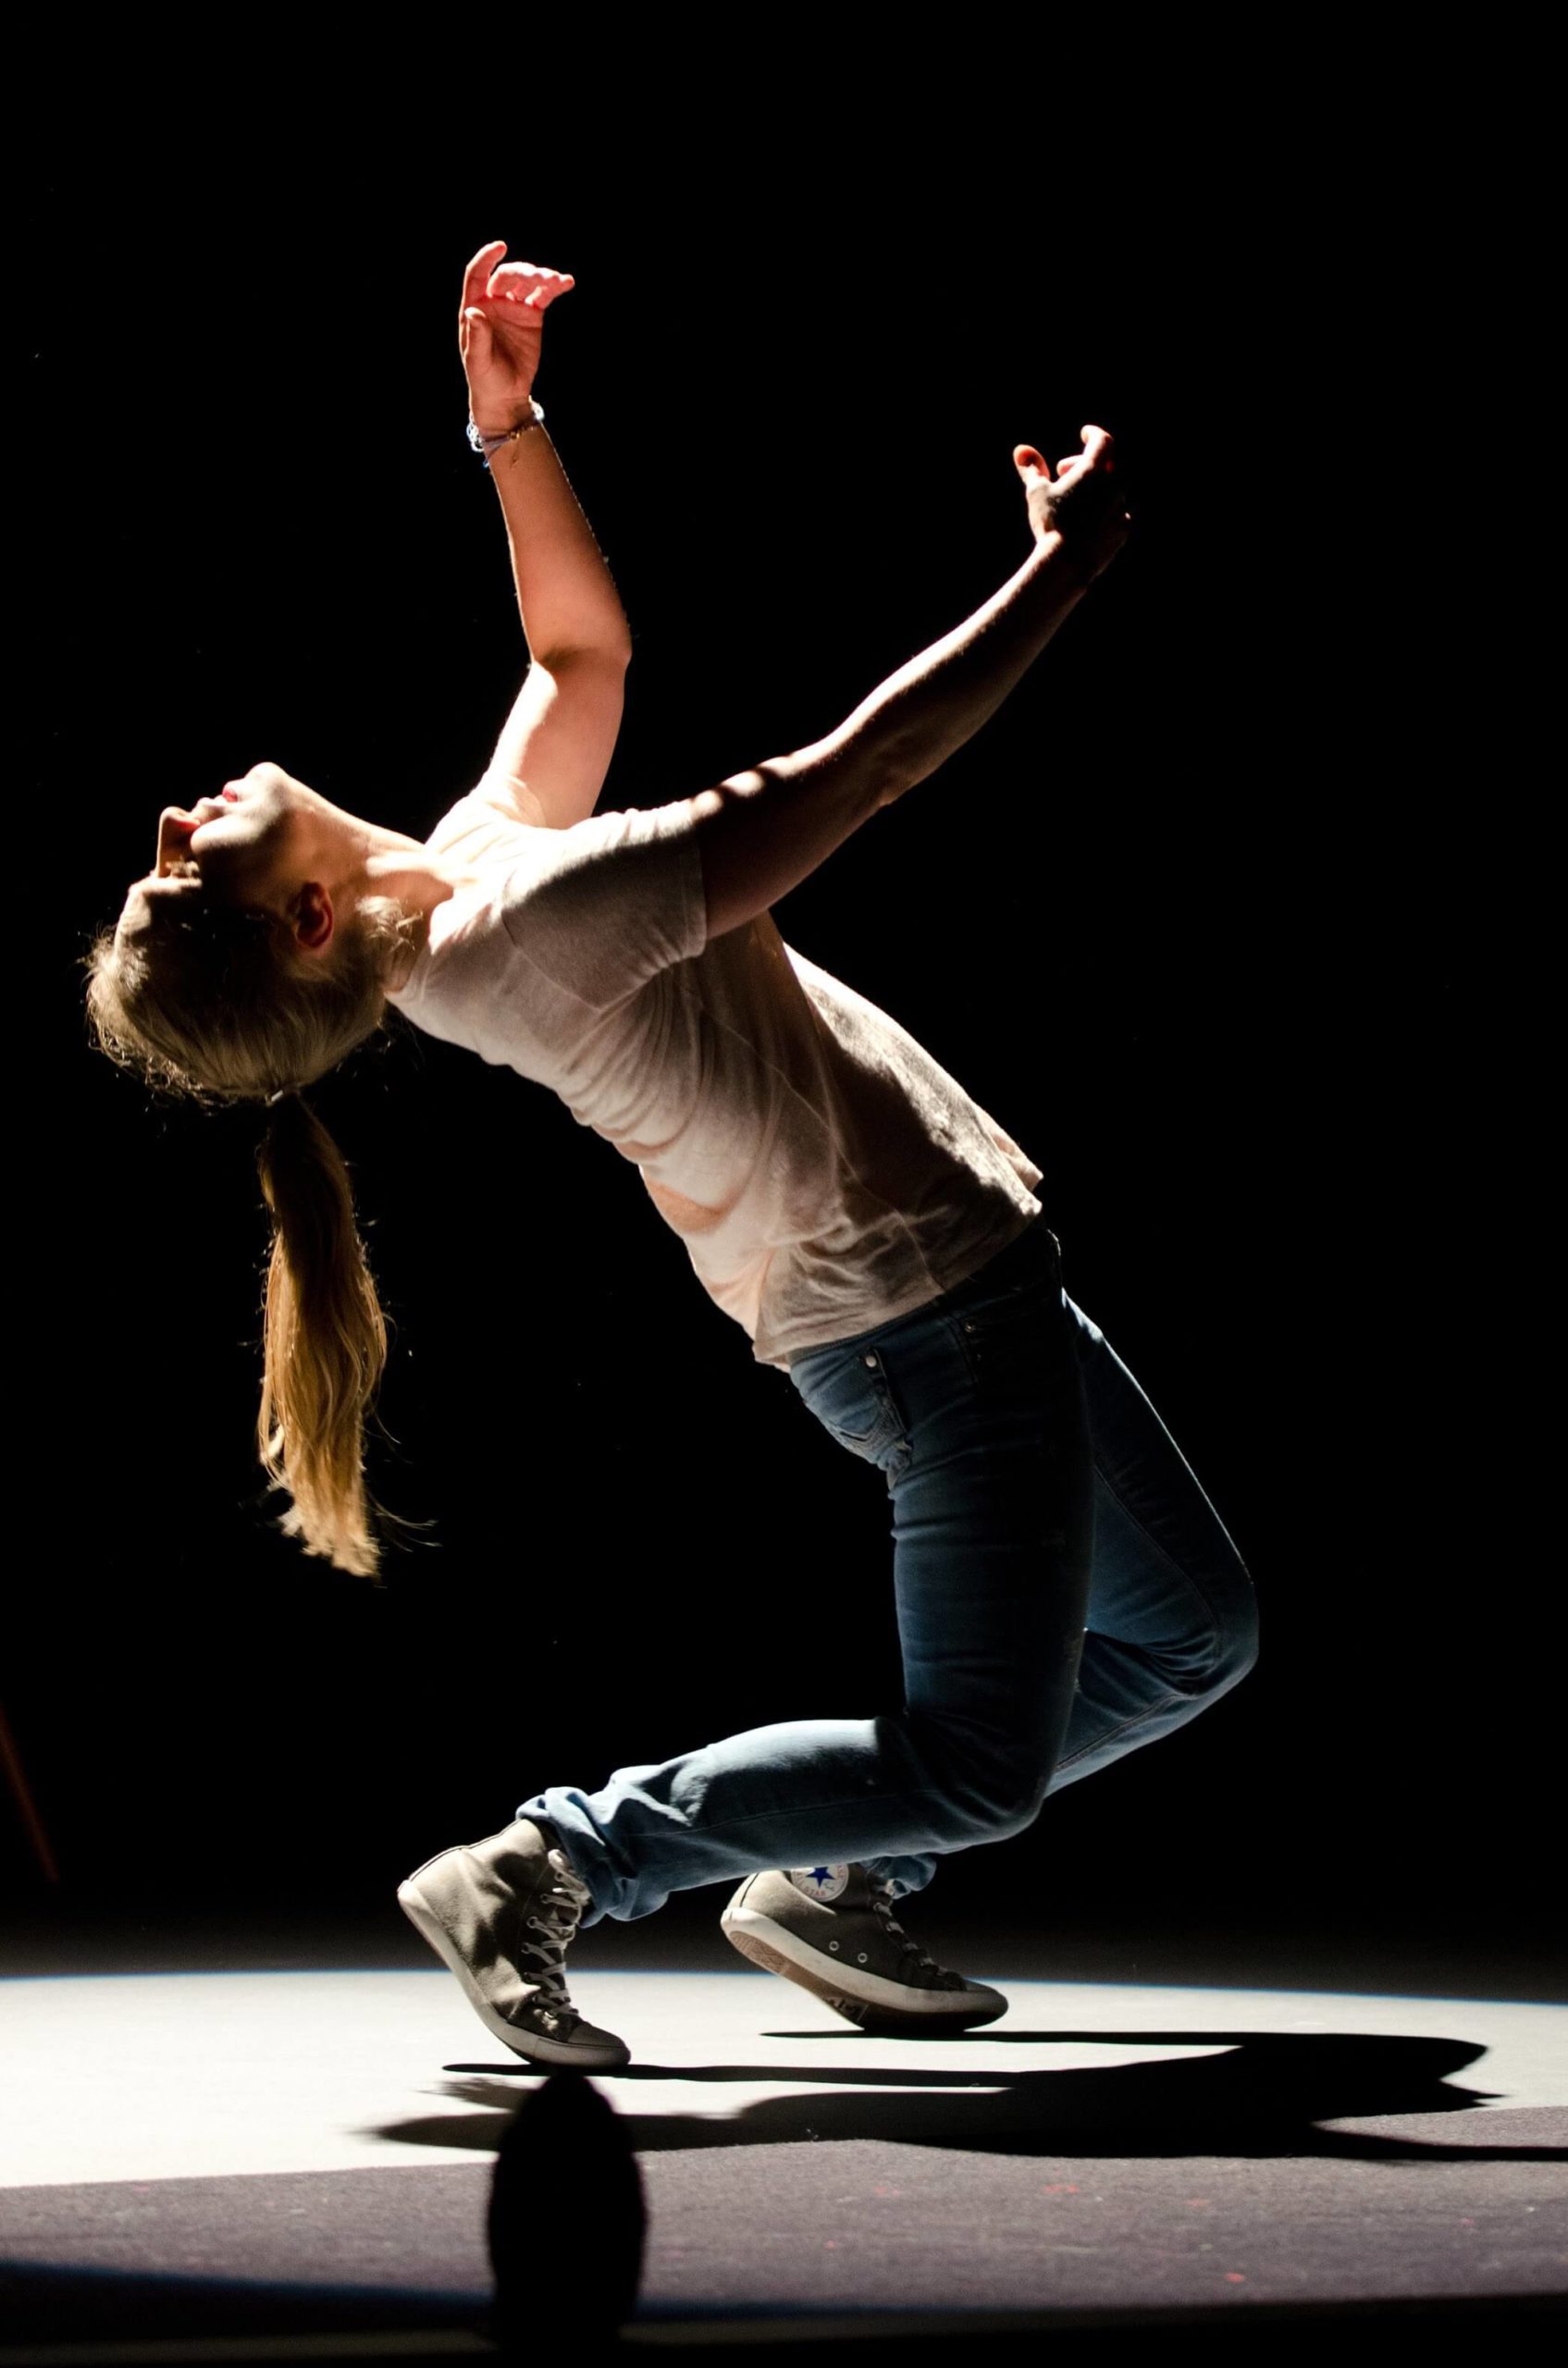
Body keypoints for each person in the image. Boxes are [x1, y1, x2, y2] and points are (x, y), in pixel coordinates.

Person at [87, 241, 1257, 2071]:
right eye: (183, 869)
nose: (170, 819)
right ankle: (555, 1861)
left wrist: (510, 425)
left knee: (1185, 1636)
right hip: (920, 1314)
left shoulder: (471, 874)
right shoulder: (516, 930)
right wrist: (1065, 570)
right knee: (974, 1754)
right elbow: (856, 773)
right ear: (304, 923)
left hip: (943, 1287)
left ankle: (829, 1872)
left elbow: (580, 652)